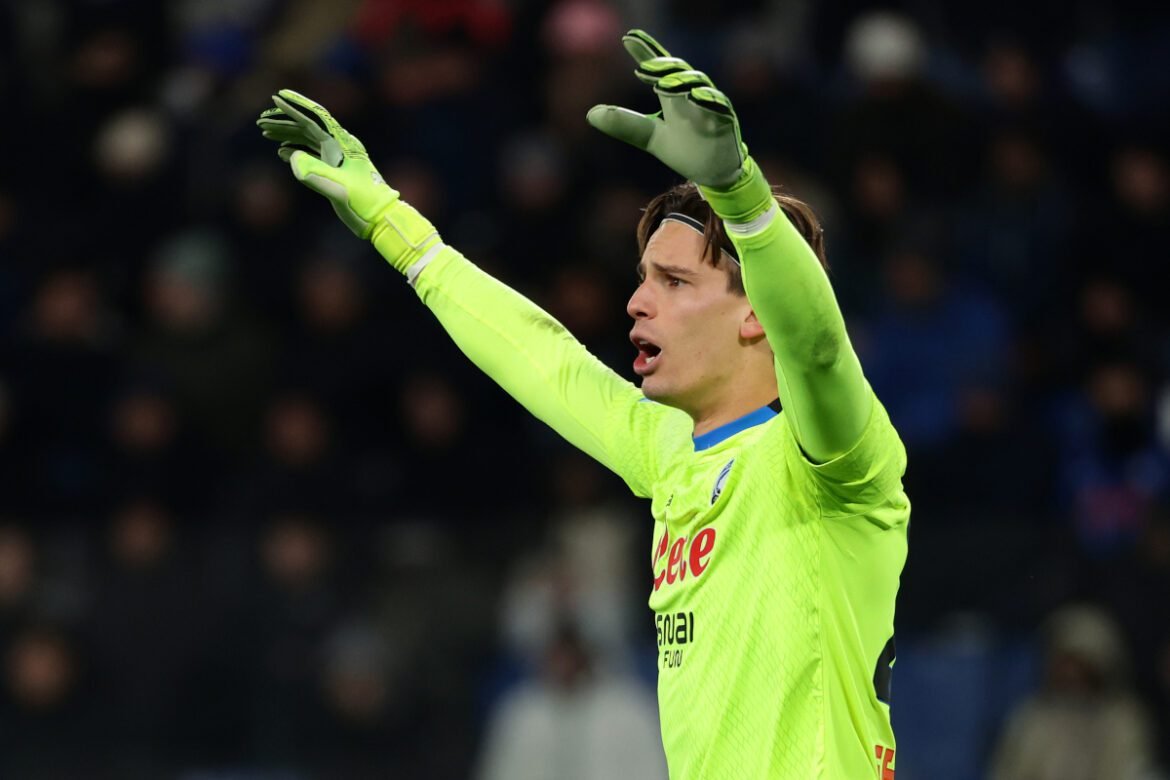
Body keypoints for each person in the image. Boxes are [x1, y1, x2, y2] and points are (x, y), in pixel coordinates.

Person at [257, 29, 909, 779]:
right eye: (642, 279)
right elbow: (545, 360)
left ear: (757, 312)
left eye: (674, 282)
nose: (636, 303)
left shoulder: (833, 459)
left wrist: (740, 194)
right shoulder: (668, 452)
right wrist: (400, 233)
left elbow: (818, 348)